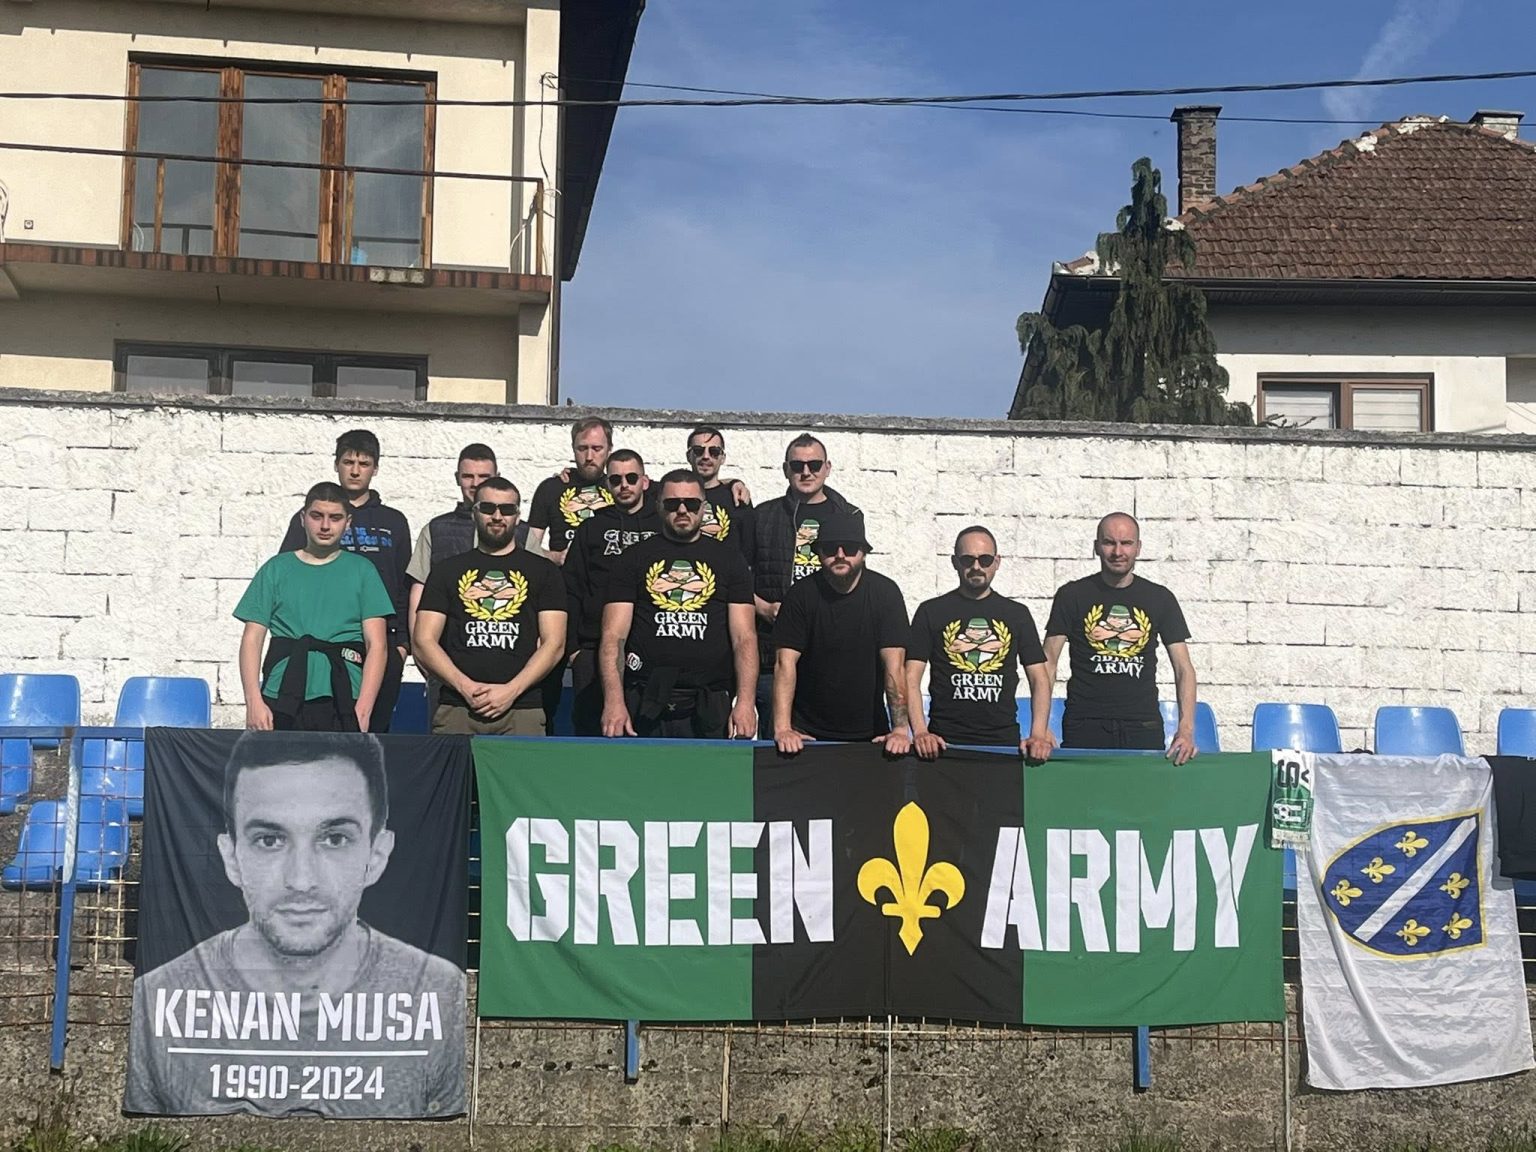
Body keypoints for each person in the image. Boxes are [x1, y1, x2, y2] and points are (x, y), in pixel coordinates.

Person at [125, 731, 465, 1117]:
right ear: (230, 857)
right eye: (270, 840)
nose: (301, 880)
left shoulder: (438, 990)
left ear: (377, 855)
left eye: (334, 839)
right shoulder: (159, 995)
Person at [598, 470, 757, 740]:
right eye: (672, 504)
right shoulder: (632, 559)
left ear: (704, 507)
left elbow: (744, 638)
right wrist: (613, 701)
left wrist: (745, 703)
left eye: (691, 503)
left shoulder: (730, 559)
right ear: (658, 506)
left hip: (710, 700)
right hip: (645, 699)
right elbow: (613, 636)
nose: (682, 510)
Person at [411, 478, 567, 735]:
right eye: (487, 508)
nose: (497, 516)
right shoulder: (446, 571)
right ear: (474, 513)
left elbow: (555, 644)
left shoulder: (544, 571)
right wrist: (466, 688)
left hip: (522, 707)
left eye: (507, 509)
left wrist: (511, 691)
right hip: (457, 706)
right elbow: (423, 640)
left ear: (518, 516)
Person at [278, 430, 410, 732]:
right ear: (336, 465)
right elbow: (290, 575)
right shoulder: (312, 517)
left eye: (364, 464)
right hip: (323, 642)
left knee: (373, 731)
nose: (355, 471)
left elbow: (404, 585)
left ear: (375, 468)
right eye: (348, 462)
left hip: (380, 643)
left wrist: (402, 645)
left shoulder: (393, 521)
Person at [1043, 512, 1198, 764]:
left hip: (1142, 725)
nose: (1117, 551)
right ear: (1096, 547)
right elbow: (1047, 663)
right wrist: (1040, 726)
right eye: (1109, 542)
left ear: (1138, 548)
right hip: (1085, 723)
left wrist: (1186, 729)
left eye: (1126, 543)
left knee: (1142, 791)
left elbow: (1183, 668)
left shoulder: (1160, 598)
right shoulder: (1072, 595)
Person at [236, 483, 392, 732]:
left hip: (344, 695)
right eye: (317, 516)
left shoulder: (363, 571)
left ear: (348, 522)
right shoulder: (276, 569)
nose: (325, 526)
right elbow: (252, 639)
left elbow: (377, 645)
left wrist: (364, 708)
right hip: (281, 692)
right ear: (303, 518)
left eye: (335, 518)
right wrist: (253, 702)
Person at [904, 526, 1053, 760]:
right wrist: (921, 732)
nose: (976, 567)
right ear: (955, 562)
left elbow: (1039, 678)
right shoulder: (931, 611)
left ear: (997, 562)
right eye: (967, 560)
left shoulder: (1016, 614)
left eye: (985, 560)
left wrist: (1038, 734)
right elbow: (910, 676)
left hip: (1002, 745)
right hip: (944, 746)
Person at [771, 511, 909, 755]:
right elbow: (785, 663)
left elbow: (894, 666)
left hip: (871, 734)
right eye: (831, 548)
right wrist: (783, 728)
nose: (841, 555)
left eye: (850, 547)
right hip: (806, 735)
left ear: (864, 552)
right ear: (818, 552)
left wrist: (900, 729)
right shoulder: (800, 595)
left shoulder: (886, 594)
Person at [752, 433, 861, 732]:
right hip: (773, 655)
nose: (806, 472)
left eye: (814, 465)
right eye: (797, 465)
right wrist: (763, 608)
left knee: (830, 749)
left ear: (827, 468)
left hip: (830, 657)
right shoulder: (762, 516)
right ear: (785, 469)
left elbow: (857, 580)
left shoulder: (849, 515)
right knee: (778, 745)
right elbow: (737, 579)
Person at [563, 450, 661, 735]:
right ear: (607, 484)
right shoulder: (591, 527)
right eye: (616, 479)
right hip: (593, 649)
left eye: (631, 478)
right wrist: (574, 650)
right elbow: (572, 588)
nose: (624, 485)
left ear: (645, 482)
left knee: (647, 735)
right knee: (593, 735)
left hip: (649, 649)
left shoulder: (662, 525)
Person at [405, 444, 509, 639]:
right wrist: (418, 647)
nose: (475, 483)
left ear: (497, 477)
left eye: (484, 477)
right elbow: (419, 593)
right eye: (468, 476)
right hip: (446, 646)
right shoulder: (435, 530)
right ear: (457, 478)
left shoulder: (521, 532)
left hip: (508, 642)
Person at [525, 417, 615, 565]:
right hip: (563, 577)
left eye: (597, 449)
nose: (589, 457)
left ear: (609, 449)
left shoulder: (620, 489)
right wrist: (556, 557)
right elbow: (529, 547)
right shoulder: (551, 488)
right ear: (573, 448)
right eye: (582, 448)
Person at [685, 426, 756, 562]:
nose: (706, 456)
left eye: (714, 451)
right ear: (689, 456)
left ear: (723, 458)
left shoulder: (737, 497)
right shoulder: (674, 496)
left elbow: (748, 551)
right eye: (698, 451)